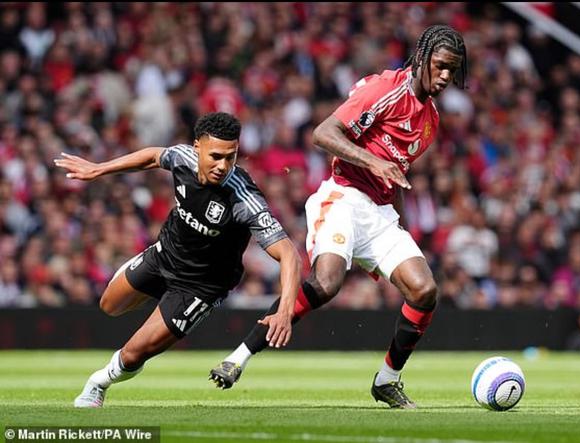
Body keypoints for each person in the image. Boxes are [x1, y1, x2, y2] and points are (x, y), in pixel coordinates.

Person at [210, 25, 467, 409]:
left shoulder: (430, 119)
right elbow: (324, 133)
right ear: (421, 58)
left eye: (453, 70)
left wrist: (398, 220)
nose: (446, 76)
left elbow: (394, 174)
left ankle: (387, 380)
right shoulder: (384, 90)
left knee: (425, 290)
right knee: (326, 283)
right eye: (441, 65)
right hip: (343, 197)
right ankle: (238, 357)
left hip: (380, 213)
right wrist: (373, 162)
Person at [54, 112, 301, 408]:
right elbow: (152, 156)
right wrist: (99, 169)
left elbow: (289, 254)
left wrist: (284, 311)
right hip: (164, 255)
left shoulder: (243, 198)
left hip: (199, 287)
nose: (223, 166)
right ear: (197, 147)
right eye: (216, 156)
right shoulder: (183, 158)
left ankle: (98, 383)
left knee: (133, 354)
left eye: (231, 157)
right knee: (109, 305)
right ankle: (153, 299)